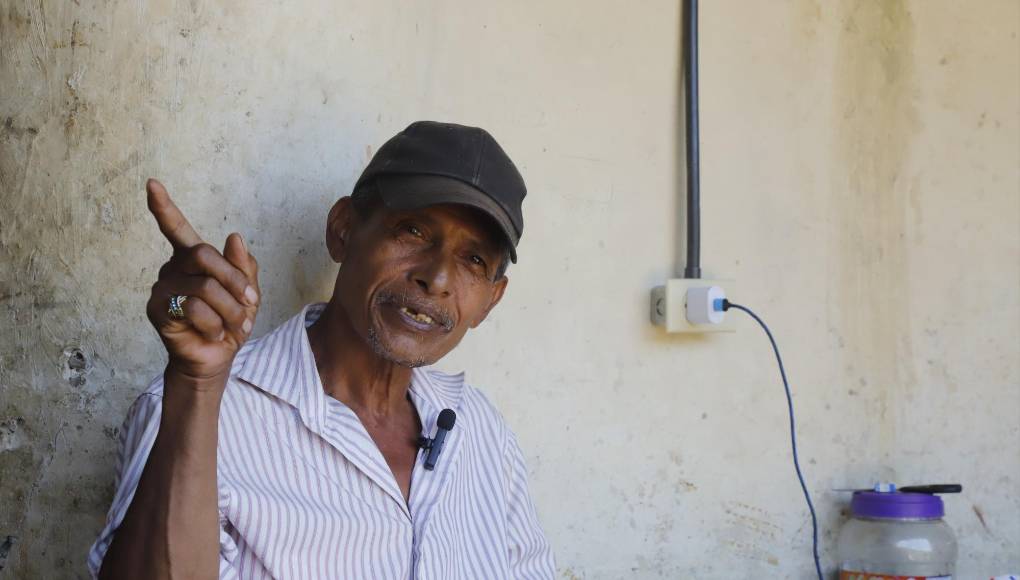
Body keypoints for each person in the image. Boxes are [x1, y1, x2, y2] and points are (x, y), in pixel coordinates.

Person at [88, 121, 556, 579]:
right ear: (343, 229)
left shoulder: (483, 435)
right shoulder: (203, 409)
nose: (435, 279)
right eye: (412, 231)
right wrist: (195, 382)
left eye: (473, 260)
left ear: (491, 301)